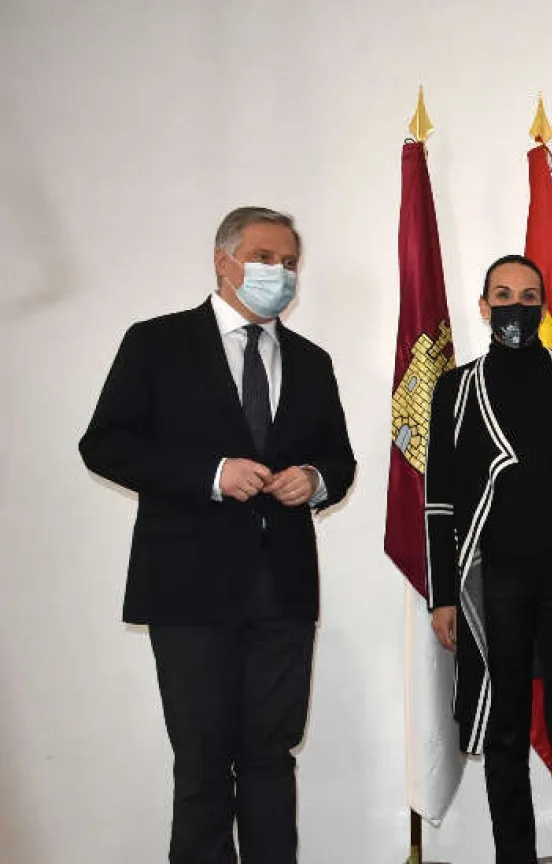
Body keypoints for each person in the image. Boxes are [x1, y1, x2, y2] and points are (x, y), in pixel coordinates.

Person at [79, 206, 356, 864]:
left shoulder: (311, 361)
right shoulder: (157, 343)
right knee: (202, 758)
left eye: (289, 263)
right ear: (223, 260)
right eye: (264, 258)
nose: (279, 273)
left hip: (283, 590)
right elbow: (105, 445)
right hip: (188, 589)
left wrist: (314, 480)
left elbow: (339, 461)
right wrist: (211, 474)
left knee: (271, 756)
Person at [424, 254, 552, 864]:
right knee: (505, 733)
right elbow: (438, 500)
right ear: (484, 306)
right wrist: (442, 595)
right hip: (491, 583)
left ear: (544, 305)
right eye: (504, 295)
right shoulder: (455, 388)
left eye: (529, 295)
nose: (517, 306)